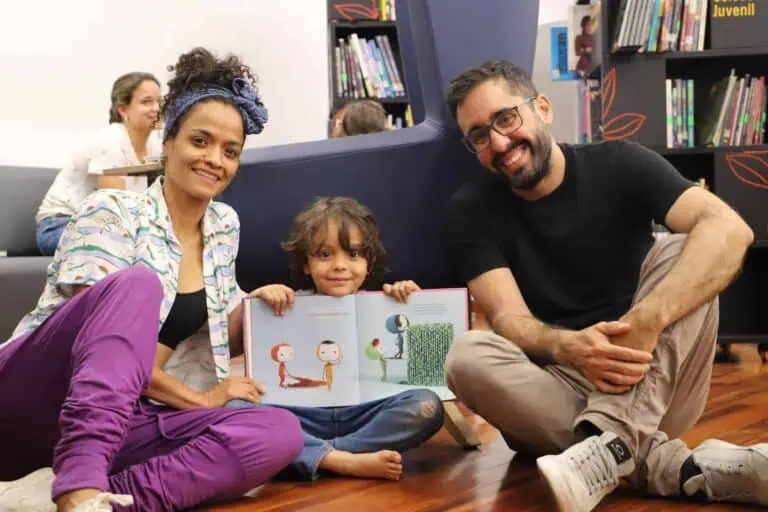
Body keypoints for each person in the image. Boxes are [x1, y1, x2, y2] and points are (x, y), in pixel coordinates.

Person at [441, 60, 765, 511]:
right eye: (479, 136)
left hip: (654, 372)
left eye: (506, 118)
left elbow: (732, 231)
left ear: (543, 108)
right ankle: (682, 469)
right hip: (556, 386)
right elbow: (509, 320)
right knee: (465, 356)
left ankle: (608, 444)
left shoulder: (620, 162)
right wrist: (573, 348)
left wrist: (646, 321)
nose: (499, 143)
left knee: (686, 247)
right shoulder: (470, 209)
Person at [0, 47, 303, 512]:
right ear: (168, 143)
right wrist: (200, 401)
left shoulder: (225, 225)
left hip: (127, 417)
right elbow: (101, 344)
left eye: (230, 151)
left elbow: (216, 331)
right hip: (33, 397)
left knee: (279, 432)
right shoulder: (113, 209)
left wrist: (261, 306)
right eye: (200, 141)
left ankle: (115, 502)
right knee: (137, 285)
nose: (214, 160)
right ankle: (79, 486)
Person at [233, 196, 445, 482]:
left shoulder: (386, 302)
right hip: (299, 415)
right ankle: (345, 460)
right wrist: (258, 299)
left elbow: (420, 365)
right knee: (234, 409)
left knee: (427, 405)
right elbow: (235, 343)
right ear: (306, 264)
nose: (339, 266)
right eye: (324, 255)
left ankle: (320, 457)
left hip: (366, 413)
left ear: (369, 262)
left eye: (354, 254)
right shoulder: (284, 302)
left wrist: (411, 303)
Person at [35, 71, 164, 256]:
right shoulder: (109, 140)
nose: (156, 108)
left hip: (105, 227)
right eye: (147, 102)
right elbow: (114, 211)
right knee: (127, 243)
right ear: (123, 109)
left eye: (159, 101)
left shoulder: (154, 145)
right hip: (59, 225)